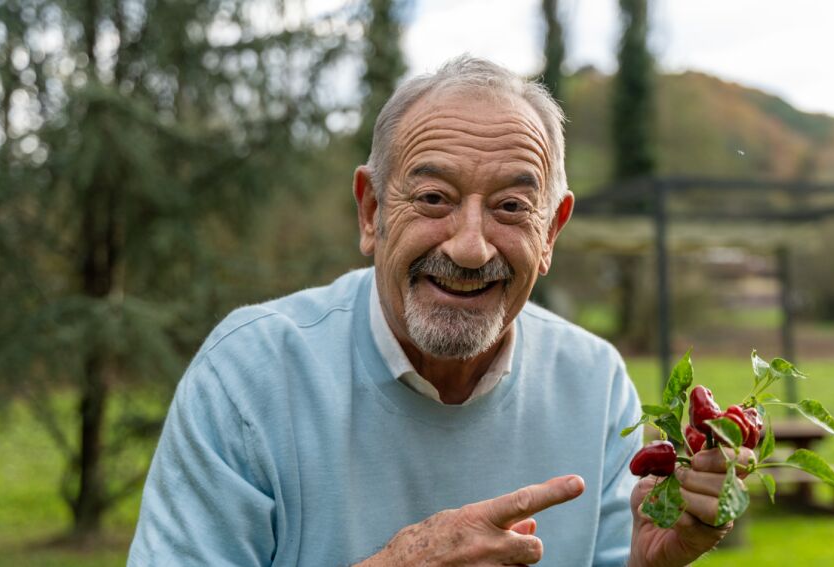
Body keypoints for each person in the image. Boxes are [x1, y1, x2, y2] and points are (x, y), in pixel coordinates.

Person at [128, 55, 752, 566]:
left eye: (511, 207)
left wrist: (646, 566)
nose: (471, 246)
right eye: (433, 198)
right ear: (371, 211)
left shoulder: (594, 381)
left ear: (552, 234)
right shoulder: (247, 375)